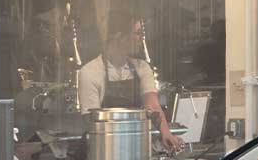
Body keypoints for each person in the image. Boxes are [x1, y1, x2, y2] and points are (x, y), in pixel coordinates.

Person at [77, 15, 182, 152]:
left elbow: (152, 105)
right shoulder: (91, 71)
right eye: (137, 34)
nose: (141, 39)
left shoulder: (142, 67)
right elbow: (91, 120)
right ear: (119, 37)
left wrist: (166, 133)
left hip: (136, 145)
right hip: (103, 149)